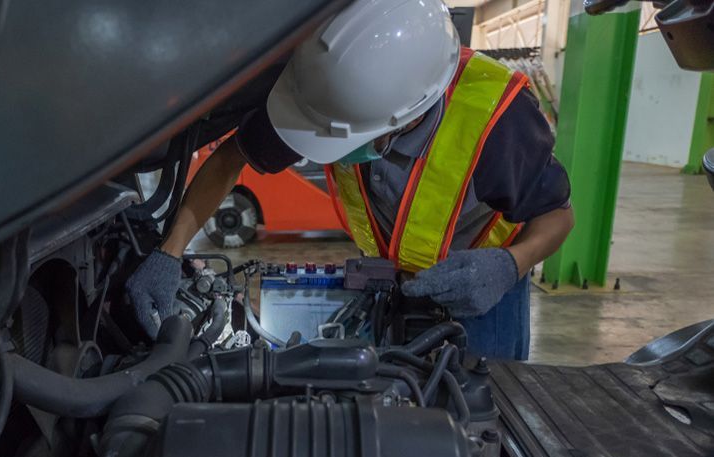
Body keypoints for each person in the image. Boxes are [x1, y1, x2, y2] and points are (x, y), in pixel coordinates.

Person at [127, 0, 574, 360]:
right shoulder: (333, 94)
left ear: (406, 117)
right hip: (391, 283)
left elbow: (558, 216)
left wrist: (508, 265)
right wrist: (170, 252)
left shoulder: (498, 122)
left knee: (482, 424)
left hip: (483, 290)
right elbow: (229, 160)